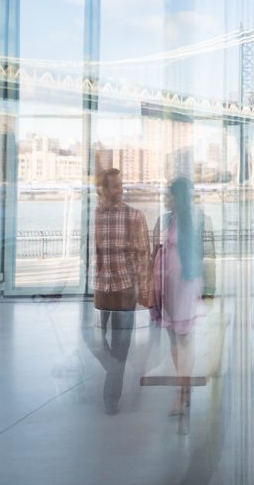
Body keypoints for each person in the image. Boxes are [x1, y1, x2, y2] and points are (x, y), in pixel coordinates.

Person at [93, 168, 150, 414]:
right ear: (103, 190)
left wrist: (145, 291)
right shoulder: (95, 215)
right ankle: (114, 372)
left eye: (121, 184)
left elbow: (143, 256)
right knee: (94, 340)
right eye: (115, 186)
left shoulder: (134, 216)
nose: (120, 190)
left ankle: (110, 396)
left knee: (122, 344)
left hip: (125, 288)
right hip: (101, 288)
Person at [150, 176, 205, 416]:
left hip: (181, 287)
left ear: (178, 198)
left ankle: (182, 394)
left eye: (169, 196)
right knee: (175, 340)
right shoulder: (170, 220)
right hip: (169, 286)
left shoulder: (189, 222)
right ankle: (184, 389)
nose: (165, 199)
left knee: (182, 340)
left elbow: (195, 256)